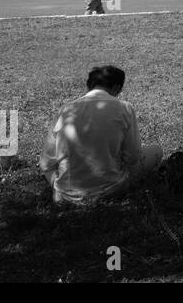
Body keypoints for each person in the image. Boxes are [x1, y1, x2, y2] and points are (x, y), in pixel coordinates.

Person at [39, 65, 163, 206]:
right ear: (116, 87)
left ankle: (64, 194)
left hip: (65, 195)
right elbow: (133, 157)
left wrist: (58, 186)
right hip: (110, 190)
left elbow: (45, 163)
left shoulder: (66, 110)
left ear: (90, 85)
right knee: (156, 151)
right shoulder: (124, 108)